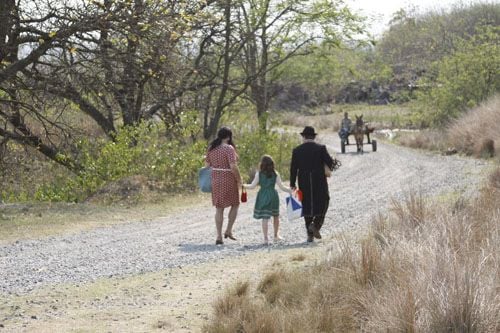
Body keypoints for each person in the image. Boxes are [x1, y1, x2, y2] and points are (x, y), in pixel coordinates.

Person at [290, 126, 335, 243]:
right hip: (319, 180)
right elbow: (330, 164)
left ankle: (310, 234)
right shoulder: (321, 148)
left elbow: (293, 169)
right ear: (313, 137)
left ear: (303, 136)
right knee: (324, 201)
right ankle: (316, 225)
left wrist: (292, 183)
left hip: (303, 181)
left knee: (307, 205)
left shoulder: (297, 150)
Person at [205, 127, 243, 245]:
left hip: (215, 179)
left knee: (219, 208)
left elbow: (207, 165)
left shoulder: (211, 148)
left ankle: (219, 236)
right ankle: (228, 230)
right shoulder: (229, 148)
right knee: (235, 204)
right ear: (228, 136)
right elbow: (233, 166)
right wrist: (239, 179)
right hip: (228, 179)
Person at [243, 155, 292, 245]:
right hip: (273, 195)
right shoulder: (275, 173)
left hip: (263, 195)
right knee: (276, 216)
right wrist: (290, 190)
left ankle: (265, 238)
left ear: (262, 164)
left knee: (265, 217)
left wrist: (243, 185)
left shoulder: (259, 174)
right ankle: (276, 235)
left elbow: (252, 186)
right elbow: (282, 187)